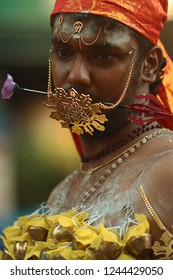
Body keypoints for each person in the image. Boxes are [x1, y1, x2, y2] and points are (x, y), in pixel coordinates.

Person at [1, 0, 173, 260]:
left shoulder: (168, 171)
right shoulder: (60, 192)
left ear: (149, 65)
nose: (75, 76)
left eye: (104, 56)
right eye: (63, 53)